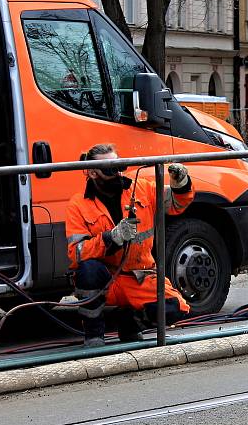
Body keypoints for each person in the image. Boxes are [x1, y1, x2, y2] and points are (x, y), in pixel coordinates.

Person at [66, 143, 194, 347]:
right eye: (110, 168)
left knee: (176, 308)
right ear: (92, 172)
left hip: (139, 276)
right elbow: (77, 253)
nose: (116, 173)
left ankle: (129, 323)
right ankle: (93, 334)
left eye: (119, 166)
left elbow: (177, 203)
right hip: (107, 279)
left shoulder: (141, 189)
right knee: (87, 270)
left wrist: (182, 184)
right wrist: (111, 238)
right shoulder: (78, 205)